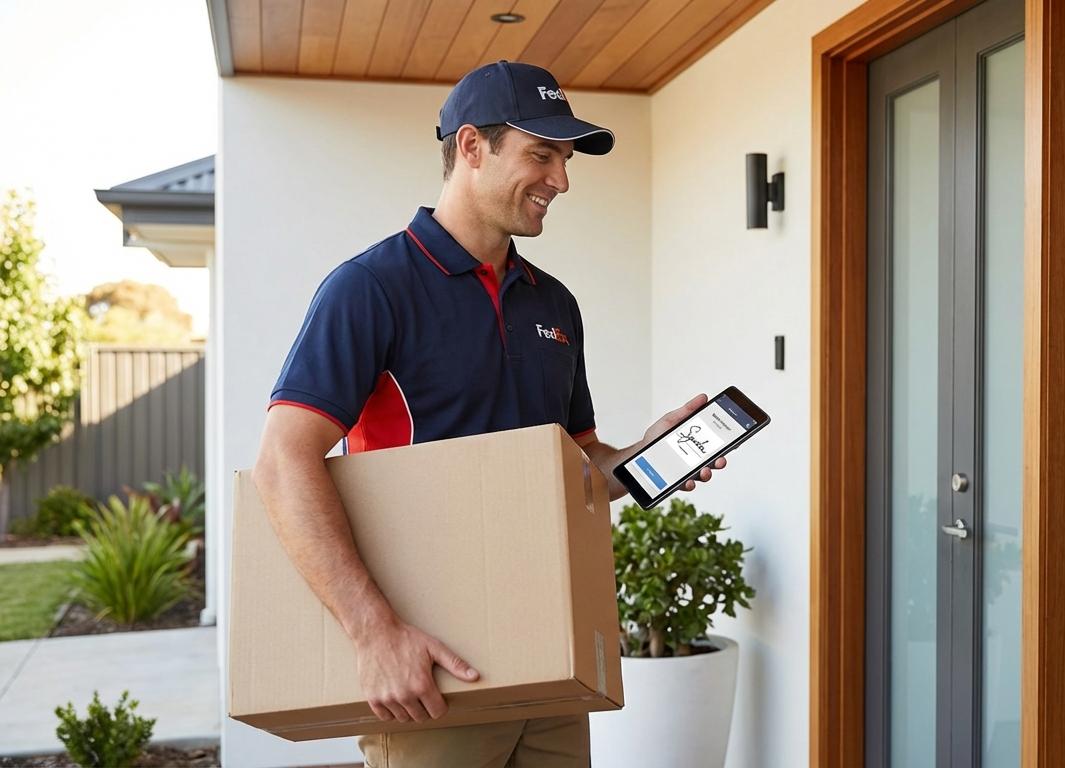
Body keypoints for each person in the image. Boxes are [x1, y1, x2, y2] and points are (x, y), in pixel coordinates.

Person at [250, 60, 726, 767]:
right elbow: (282, 463)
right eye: (542, 153)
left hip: (552, 663)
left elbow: (578, 463)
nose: (561, 180)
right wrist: (375, 635)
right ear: (471, 148)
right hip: (433, 675)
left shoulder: (554, 304)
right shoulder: (370, 290)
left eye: (565, 159)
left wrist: (644, 456)